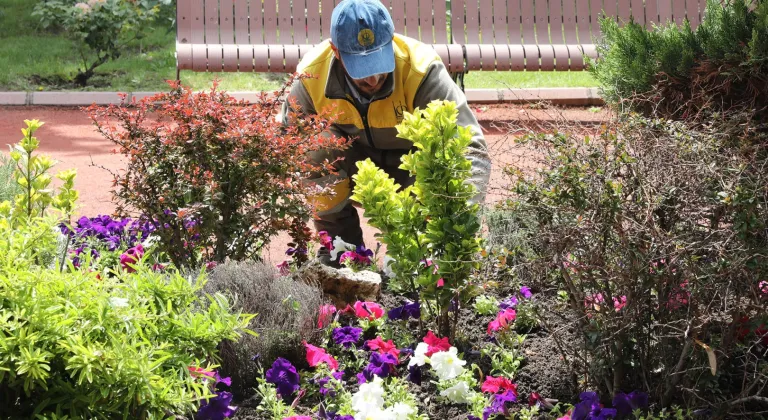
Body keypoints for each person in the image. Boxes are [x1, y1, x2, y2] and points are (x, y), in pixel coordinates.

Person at [280, 0, 491, 262]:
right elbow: (288, 145)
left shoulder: (421, 69)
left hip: (416, 174)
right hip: (354, 170)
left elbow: (469, 149)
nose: (373, 79)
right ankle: (341, 249)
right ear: (336, 51)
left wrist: (459, 223)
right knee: (311, 147)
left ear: (391, 41)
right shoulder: (312, 75)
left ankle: (421, 254)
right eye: (361, 68)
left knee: (445, 161)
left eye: (378, 63)